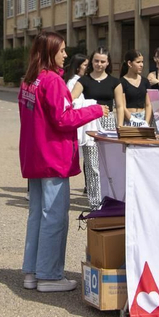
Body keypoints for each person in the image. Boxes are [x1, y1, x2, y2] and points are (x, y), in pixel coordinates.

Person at [18, 32, 105, 292]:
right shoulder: (52, 81)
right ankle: (49, 275)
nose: (66, 55)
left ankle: (32, 272)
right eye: (62, 50)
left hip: (35, 155)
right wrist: (95, 110)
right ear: (50, 51)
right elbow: (63, 118)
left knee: (37, 215)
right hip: (53, 156)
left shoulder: (30, 80)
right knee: (54, 217)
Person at [65, 53, 101, 210]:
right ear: (78, 66)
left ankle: (93, 193)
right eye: (86, 65)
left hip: (88, 123)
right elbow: (72, 103)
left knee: (92, 162)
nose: (88, 68)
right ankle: (94, 198)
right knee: (91, 163)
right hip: (83, 125)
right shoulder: (74, 82)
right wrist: (93, 104)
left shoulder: (82, 80)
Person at [82, 49, 119, 132]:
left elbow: (119, 106)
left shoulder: (115, 82)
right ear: (91, 61)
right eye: (96, 61)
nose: (99, 64)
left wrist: (120, 126)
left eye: (102, 62)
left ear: (108, 63)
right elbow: (72, 99)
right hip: (90, 119)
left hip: (108, 120)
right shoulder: (83, 81)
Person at [115, 50, 152, 127]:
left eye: (142, 62)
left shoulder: (145, 81)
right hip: (129, 118)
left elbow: (148, 104)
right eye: (138, 62)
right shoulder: (121, 82)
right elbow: (122, 105)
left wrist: (146, 122)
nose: (141, 65)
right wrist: (132, 120)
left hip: (143, 117)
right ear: (129, 63)